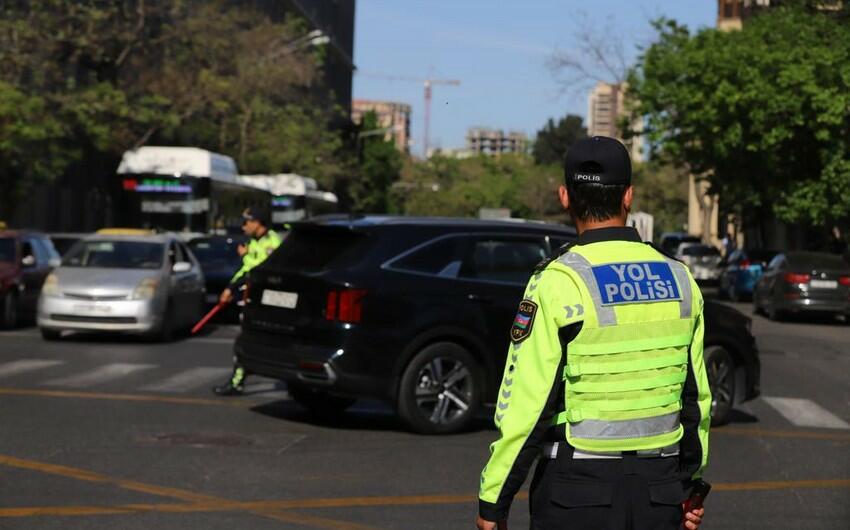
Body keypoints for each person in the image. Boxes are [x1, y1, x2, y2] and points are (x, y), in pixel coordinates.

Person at [476, 136, 711, 530]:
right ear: (629, 196)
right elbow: (697, 401)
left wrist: (493, 500)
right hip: (661, 492)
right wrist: (690, 486)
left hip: (575, 495)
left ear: (565, 197)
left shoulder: (558, 280)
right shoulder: (680, 278)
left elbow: (527, 406)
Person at [213, 208, 282, 396]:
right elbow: (246, 269)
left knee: (271, 342)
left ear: (257, 222)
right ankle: (237, 380)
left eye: (246, 222)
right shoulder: (253, 242)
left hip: (269, 302)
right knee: (244, 340)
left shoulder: (272, 242)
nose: (243, 227)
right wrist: (231, 287)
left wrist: (232, 287)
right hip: (254, 298)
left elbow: (257, 270)